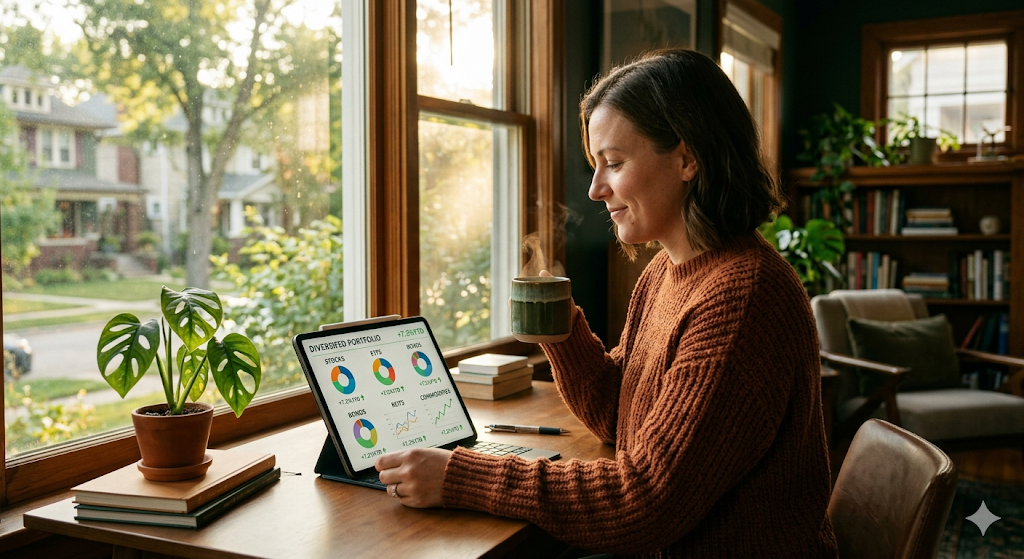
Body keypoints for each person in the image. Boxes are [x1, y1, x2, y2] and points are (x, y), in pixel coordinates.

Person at [376, 49, 839, 557]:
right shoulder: (667, 271)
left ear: (687, 158)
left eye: (613, 163)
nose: (596, 189)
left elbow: (644, 504)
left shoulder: (743, 298)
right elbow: (621, 418)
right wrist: (563, 330)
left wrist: (462, 476)